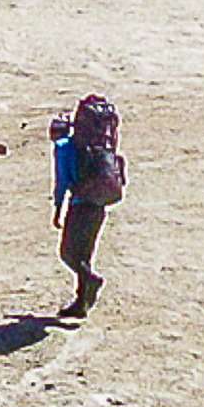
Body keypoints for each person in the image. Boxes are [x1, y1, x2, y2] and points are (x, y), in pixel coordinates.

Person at [48, 93, 124, 319]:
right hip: (99, 203)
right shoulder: (94, 146)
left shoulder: (63, 147)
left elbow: (62, 181)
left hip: (80, 203)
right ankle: (81, 304)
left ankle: (90, 282)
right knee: (85, 254)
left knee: (68, 254)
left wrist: (58, 209)